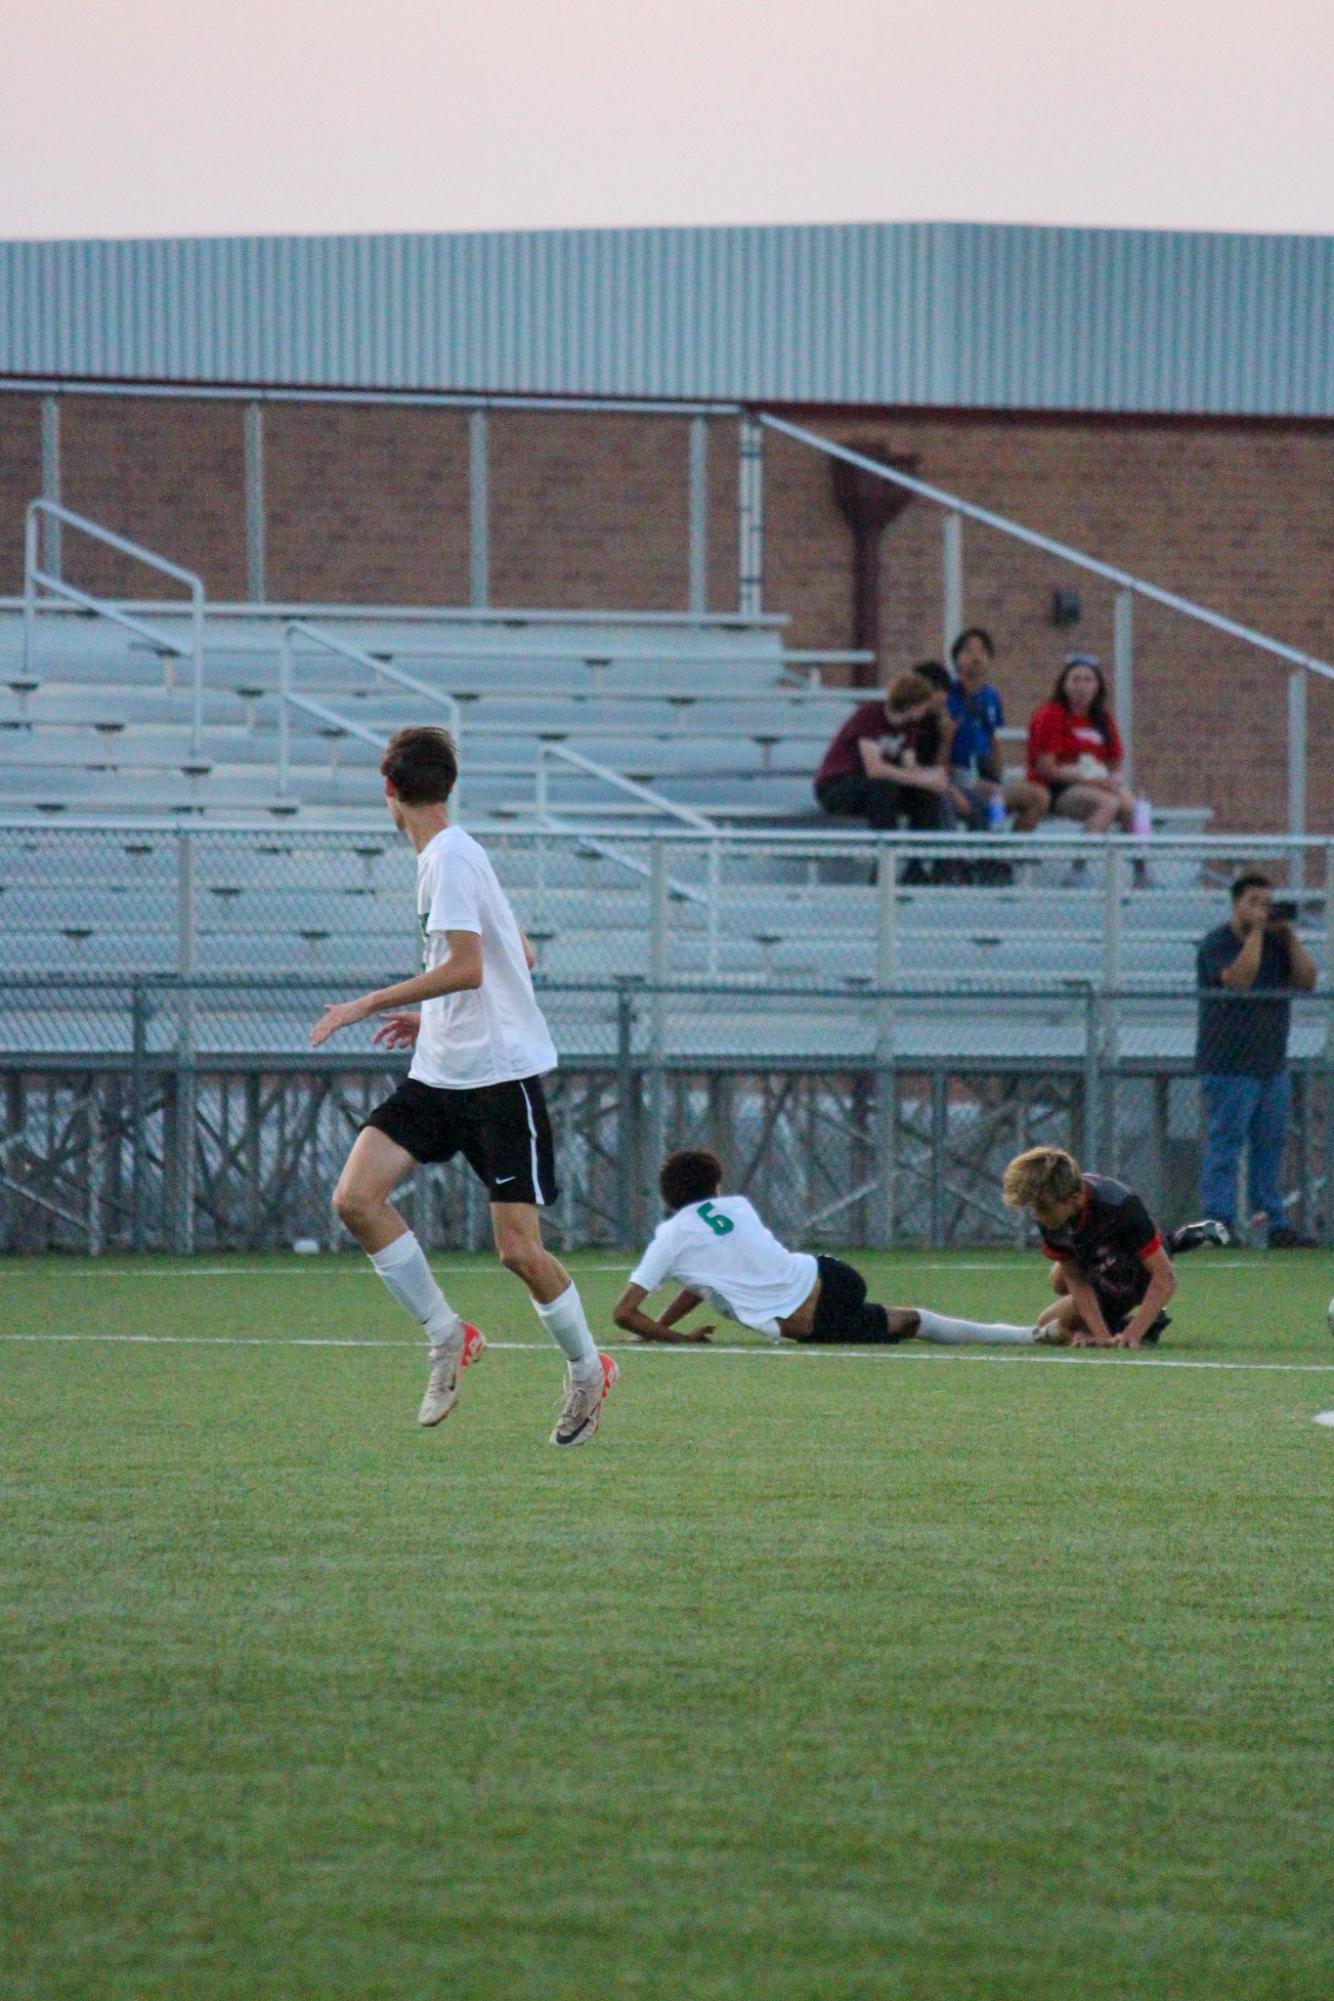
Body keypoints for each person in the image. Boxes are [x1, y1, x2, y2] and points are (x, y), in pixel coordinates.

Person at [310, 725, 619, 1445]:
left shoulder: (448, 857)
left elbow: (472, 966)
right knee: (356, 1198)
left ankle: (586, 1368)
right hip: (441, 1072)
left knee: (518, 1250)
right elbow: (519, 956)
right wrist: (434, 1021)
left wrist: (370, 1002)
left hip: (497, 1080)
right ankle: (448, 1336)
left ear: (390, 791)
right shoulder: (456, 854)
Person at [612, 1149, 1045, 1348]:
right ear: (715, 1186)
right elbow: (704, 1284)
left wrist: (671, 1338)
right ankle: (1031, 1335)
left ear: (668, 1199)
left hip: (815, 1317)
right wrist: (667, 1333)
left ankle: (1031, 1337)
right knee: (911, 1320)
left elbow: (624, 1312)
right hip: (827, 1274)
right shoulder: (735, 1206)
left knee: (910, 1322)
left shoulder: (671, 1237)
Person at [1195, 872, 1319, 1249]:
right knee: (1226, 1145)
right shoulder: (1217, 943)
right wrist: (1254, 935)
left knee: (1270, 1144)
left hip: (1270, 1063)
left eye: (1267, 902)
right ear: (1236, 904)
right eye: (1254, 902)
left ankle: (1273, 1221)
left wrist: (1289, 935)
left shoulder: (1278, 943)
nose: (1262, 910)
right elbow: (1239, 979)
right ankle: (1218, 1222)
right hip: (1228, 1064)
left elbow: (1308, 979)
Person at [1001, 1145, 1192, 1348]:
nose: (1038, 1217)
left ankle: (1172, 1243)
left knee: (1120, 1270)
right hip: (1100, 1264)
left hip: (1135, 1270)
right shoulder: (1051, 1216)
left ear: (1074, 1198)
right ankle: (1129, 1325)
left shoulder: (1118, 1206)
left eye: (1043, 1209)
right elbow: (1075, 1278)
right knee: (1052, 1303)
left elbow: (1165, 1278)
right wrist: (1100, 1335)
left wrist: (1134, 1333)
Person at [813, 669, 953, 833]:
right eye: (923, 703)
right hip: (838, 785)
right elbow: (875, 769)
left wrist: (929, 777)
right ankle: (886, 849)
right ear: (911, 703)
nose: (926, 708)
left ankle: (922, 853)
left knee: (923, 793)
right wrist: (921, 779)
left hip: (873, 786)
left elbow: (910, 767)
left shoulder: (910, 726)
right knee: (884, 787)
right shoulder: (871, 715)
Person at [947, 626, 1049, 832]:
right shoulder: (948, 696)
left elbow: (992, 737)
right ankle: (993, 848)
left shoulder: (991, 696)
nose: (976, 657)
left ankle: (1012, 853)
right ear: (957, 658)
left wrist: (998, 773)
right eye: (969, 650)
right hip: (958, 774)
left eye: (982, 651)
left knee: (1038, 796)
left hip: (984, 773)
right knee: (996, 798)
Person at [1026, 653, 1136, 834]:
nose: (1082, 686)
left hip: (1097, 782)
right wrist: (1089, 779)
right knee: (1107, 804)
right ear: (1064, 684)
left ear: (1097, 686)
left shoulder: (1103, 719)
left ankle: (1137, 860)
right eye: (1075, 679)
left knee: (1132, 807)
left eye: (1088, 680)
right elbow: (1046, 768)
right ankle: (1085, 860)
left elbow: (1115, 763)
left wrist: (1113, 780)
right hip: (1058, 787)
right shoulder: (1051, 714)